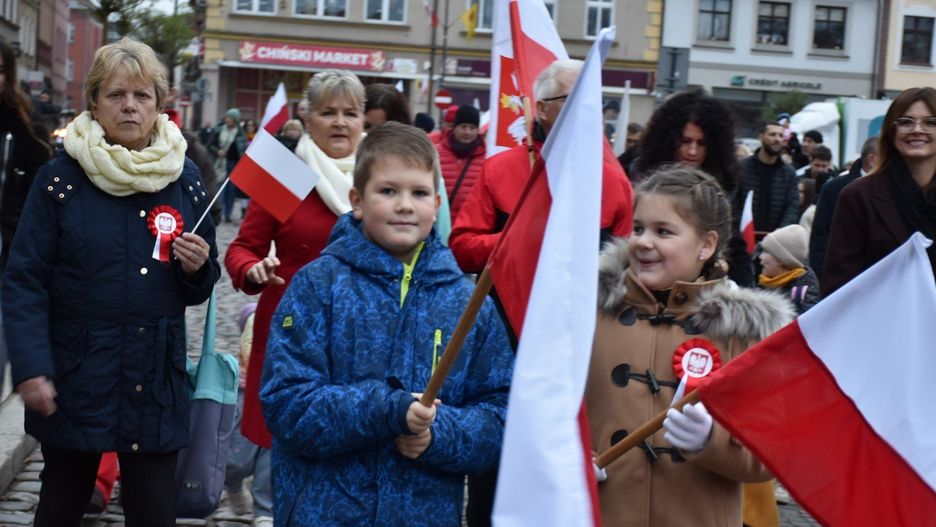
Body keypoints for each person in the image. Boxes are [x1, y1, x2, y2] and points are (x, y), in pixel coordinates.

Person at [3, 37, 219, 526]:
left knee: (153, 512)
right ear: (94, 102)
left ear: (159, 105)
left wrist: (197, 267)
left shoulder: (184, 180)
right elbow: (24, 279)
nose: (130, 106)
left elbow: (203, 282)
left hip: (155, 379)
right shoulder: (60, 181)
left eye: (142, 96)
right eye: (117, 95)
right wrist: (32, 367)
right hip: (80, 375)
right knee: (60, 505)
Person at [260, 122, 514, 525]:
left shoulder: (468, 303)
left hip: (424, 512)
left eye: (419, 193)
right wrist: (386, 409)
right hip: (324, 512)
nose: (405, 205)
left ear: (436, 203)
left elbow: (499, 416)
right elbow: (287, 405)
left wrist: (438, 433)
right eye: (388, 191)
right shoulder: (317, 285)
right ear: (357, 200)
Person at [588, 167, 792, 527]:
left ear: (706, 245)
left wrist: (710, 441)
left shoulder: (742, 332)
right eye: (638, 228)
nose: (642, 242)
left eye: (663, 231)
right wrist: (571, 460)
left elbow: (770, 456)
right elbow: (555, 413)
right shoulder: (592, 314)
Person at [225, 69, 366, 452]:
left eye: (350, 113)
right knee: (287, 435)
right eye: (328, 112)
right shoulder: (286, 174)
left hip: (364, 329)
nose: (340, 122)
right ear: (307, 117)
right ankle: (268, 507)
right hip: (293, 326)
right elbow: (242, 248)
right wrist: (252, 268)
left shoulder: (379, 174)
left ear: (363, 119)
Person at [451, 59, 633, 276]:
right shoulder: (499, 170)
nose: (587, 106)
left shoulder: (614, 181)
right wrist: (518, 240)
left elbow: (626, 269)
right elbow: (461, 251)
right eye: (572, 98)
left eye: (594, 99)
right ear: (542, 109)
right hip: (506, 308)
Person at [626, 90, 754, 286]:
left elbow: (736, 247)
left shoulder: (727, 185)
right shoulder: (638, 175)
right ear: (668, 139)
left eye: (701, 143)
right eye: (685, 141)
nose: (692, 151)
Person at [824, 87, 936, 295]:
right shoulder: (859, 196)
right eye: (906, 122)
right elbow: (839, 286)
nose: (917, 129)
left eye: (930, 122)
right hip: (882, 324)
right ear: (891, 132)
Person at [224, 302, 273, 527]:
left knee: (269, 456)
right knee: (237, 460)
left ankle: (265, 509)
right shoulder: (254, 314)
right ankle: (232, 484)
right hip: (246, 393)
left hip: (275, 393)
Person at [809, 136, 878, 282]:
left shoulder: (892, 190)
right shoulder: (834, 189)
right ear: (873, 159)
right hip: (838, 279)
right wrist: (822, 277)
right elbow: (819, 236)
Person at [738, 122, 800, 240]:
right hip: (743, 238)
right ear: (761, 137)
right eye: (772, 134)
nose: (777, 139)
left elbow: (792, 206)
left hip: (775, 241)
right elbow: (734, 202)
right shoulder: (742, 168)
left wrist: (781, 232)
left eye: (781, 136)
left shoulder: (789, 173)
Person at [758, 224, 820, 314]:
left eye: (766, 252)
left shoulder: (802, 296)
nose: (760, 257)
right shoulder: (764, 285)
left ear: (782, 260)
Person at [437, 105, 485, 219]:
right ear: (454, 128)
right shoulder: (435, 153)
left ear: (478, 130)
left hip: (469, 225)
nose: (467, 132)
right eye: (463, 127)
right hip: (440, 222)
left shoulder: (487, 159)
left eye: (472, 128)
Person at [207, 108, 247, 222]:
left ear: (235, 120)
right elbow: (210, 145)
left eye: (230, 117)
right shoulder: (219, 130)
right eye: (227, 117)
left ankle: (228, 213)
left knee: (231, 190)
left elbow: (243, 149)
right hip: (220, 163)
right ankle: (219, 211)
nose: (227, 119)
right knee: (220, 188)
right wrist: (217, 151)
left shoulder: (240, 133)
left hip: (234, 164)